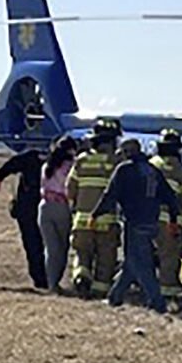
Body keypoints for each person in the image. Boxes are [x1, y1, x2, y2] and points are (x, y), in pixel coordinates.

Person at [91, 139, 180, 313]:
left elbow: (110, 195)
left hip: (134, 222)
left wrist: (95, 214)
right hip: (152, 223)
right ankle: (114, 298)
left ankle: (157, 303)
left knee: (140, 263)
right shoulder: (153, 171)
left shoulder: (124, 170)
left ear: (126, 152)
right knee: (132, 263)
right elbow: (170, 197)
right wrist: (174, 220)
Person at [67, 119, 122, 298]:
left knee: (82, 254)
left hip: (82, 220)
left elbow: (70, 189)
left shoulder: (82, 161)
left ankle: (81, 276)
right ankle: (100, 291)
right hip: (108, 222)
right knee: (106, 260)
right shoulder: (117, 162)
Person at [0, 145, 48, 289]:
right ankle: (44, 278)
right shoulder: (54, 157)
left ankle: (41, 278)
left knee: (34, 245)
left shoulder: (28, 158)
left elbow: (11, 165)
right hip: (39, 209)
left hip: (29, 209)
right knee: (45, 245)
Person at [148, 129, 182, 298]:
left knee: (143, 253)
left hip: (146, 219)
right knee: (169, 255)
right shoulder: (181, 171)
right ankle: (166, 289)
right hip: (169, 222)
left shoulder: (150, 165)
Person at [38, 136, 77, 292]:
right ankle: (55, 282)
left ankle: (51, 282)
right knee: (62, 248)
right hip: (62, 207)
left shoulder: (47, 166)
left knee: (51, 248)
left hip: (44, 206)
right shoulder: (70, 166)